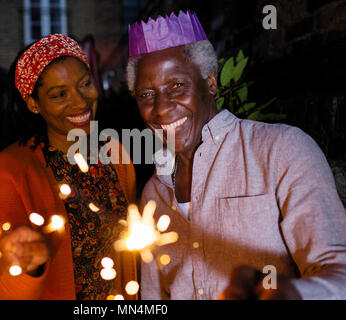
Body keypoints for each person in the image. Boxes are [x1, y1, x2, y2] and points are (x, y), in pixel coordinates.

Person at [126, 10, 346, 299]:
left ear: (211, 83)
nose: (162, 107)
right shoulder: (153, 195)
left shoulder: (282, 150)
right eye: (146, 94)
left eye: (177, 86)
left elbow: (338, 269)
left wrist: (293, 293)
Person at [0, 34, 137, 300]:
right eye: (59, 94)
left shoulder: (114, 151)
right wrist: (30, 266)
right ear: (33, 103)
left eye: (85, 84)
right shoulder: (7, 171)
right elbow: (3, 289)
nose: (80, 102)